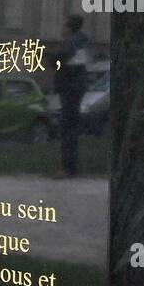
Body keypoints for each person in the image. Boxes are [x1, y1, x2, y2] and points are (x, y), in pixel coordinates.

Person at [54, 15, 89, 177]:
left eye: (64, 25)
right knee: (72, 130)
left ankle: (66, 168)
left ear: (69, 28)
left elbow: (57, 60)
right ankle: (71, 168)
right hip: (78, 88)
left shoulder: (70, 43)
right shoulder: (83, 42)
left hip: (69, 89)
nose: (61, 28)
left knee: (67, 129)